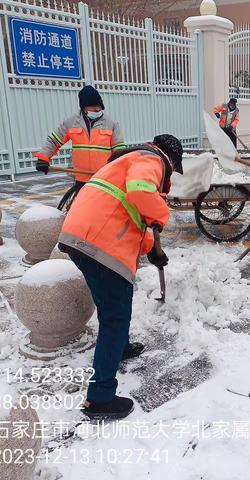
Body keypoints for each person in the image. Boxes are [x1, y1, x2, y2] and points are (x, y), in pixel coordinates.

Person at [58, 134, 183, 420]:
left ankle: (120, 346)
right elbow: (140, 195)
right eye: (174, 169)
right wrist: (161, 214)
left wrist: (151, 249)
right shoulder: (152, 158)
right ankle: (99, 397)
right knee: (115, 316)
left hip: (83, 236)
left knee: (111, 303)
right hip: (99, 243)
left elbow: (126, 216)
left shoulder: (126, 160)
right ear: (172, 159)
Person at [34, 85, 126, 208]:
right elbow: (54, 140)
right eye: (93, 108)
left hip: (104, 178)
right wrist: (43, 158)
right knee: (82, 210)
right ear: (84, 108)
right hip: (81, 177)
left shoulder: (111, 124)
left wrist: (123, 166)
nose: (97, 110)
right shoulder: (71, 122)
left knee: (104, 210)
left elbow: (119, 149)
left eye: (99, 107)